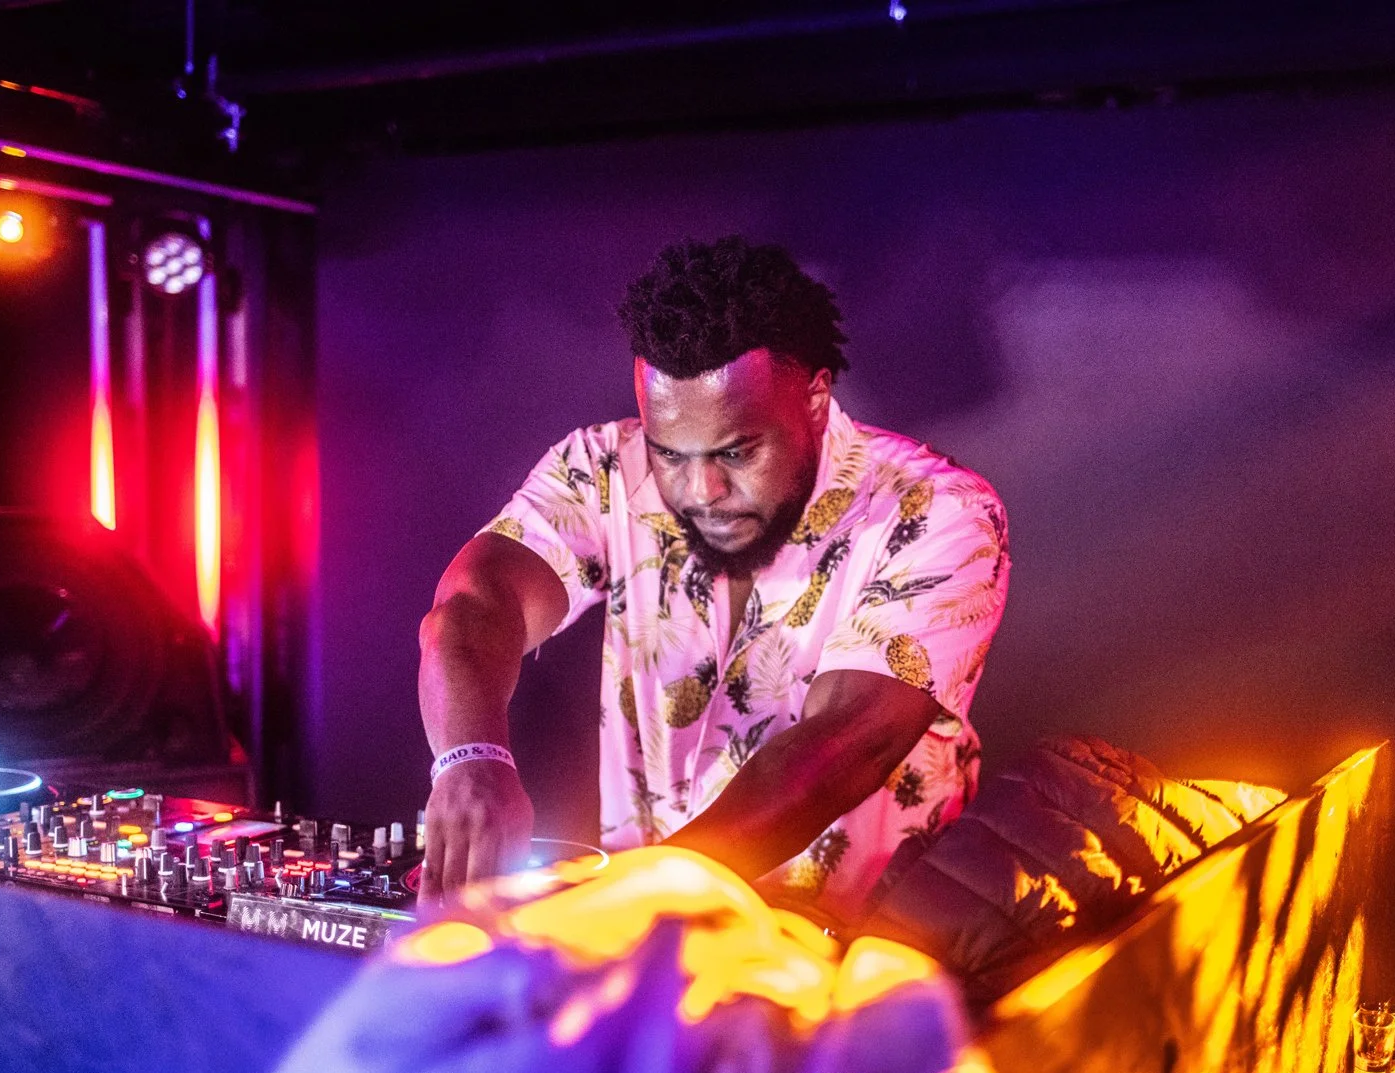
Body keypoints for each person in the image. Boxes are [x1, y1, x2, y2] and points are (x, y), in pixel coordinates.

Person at [417, 236, 1010, 925]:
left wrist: (627, 903)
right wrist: (470, 756)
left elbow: (839, 748)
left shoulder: (937, 512)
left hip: (854, 971)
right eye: (670, 452)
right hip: (639, 963)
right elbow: (473, 604)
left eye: (737, 451)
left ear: (816, 399)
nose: (701, 489)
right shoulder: (605, 468)